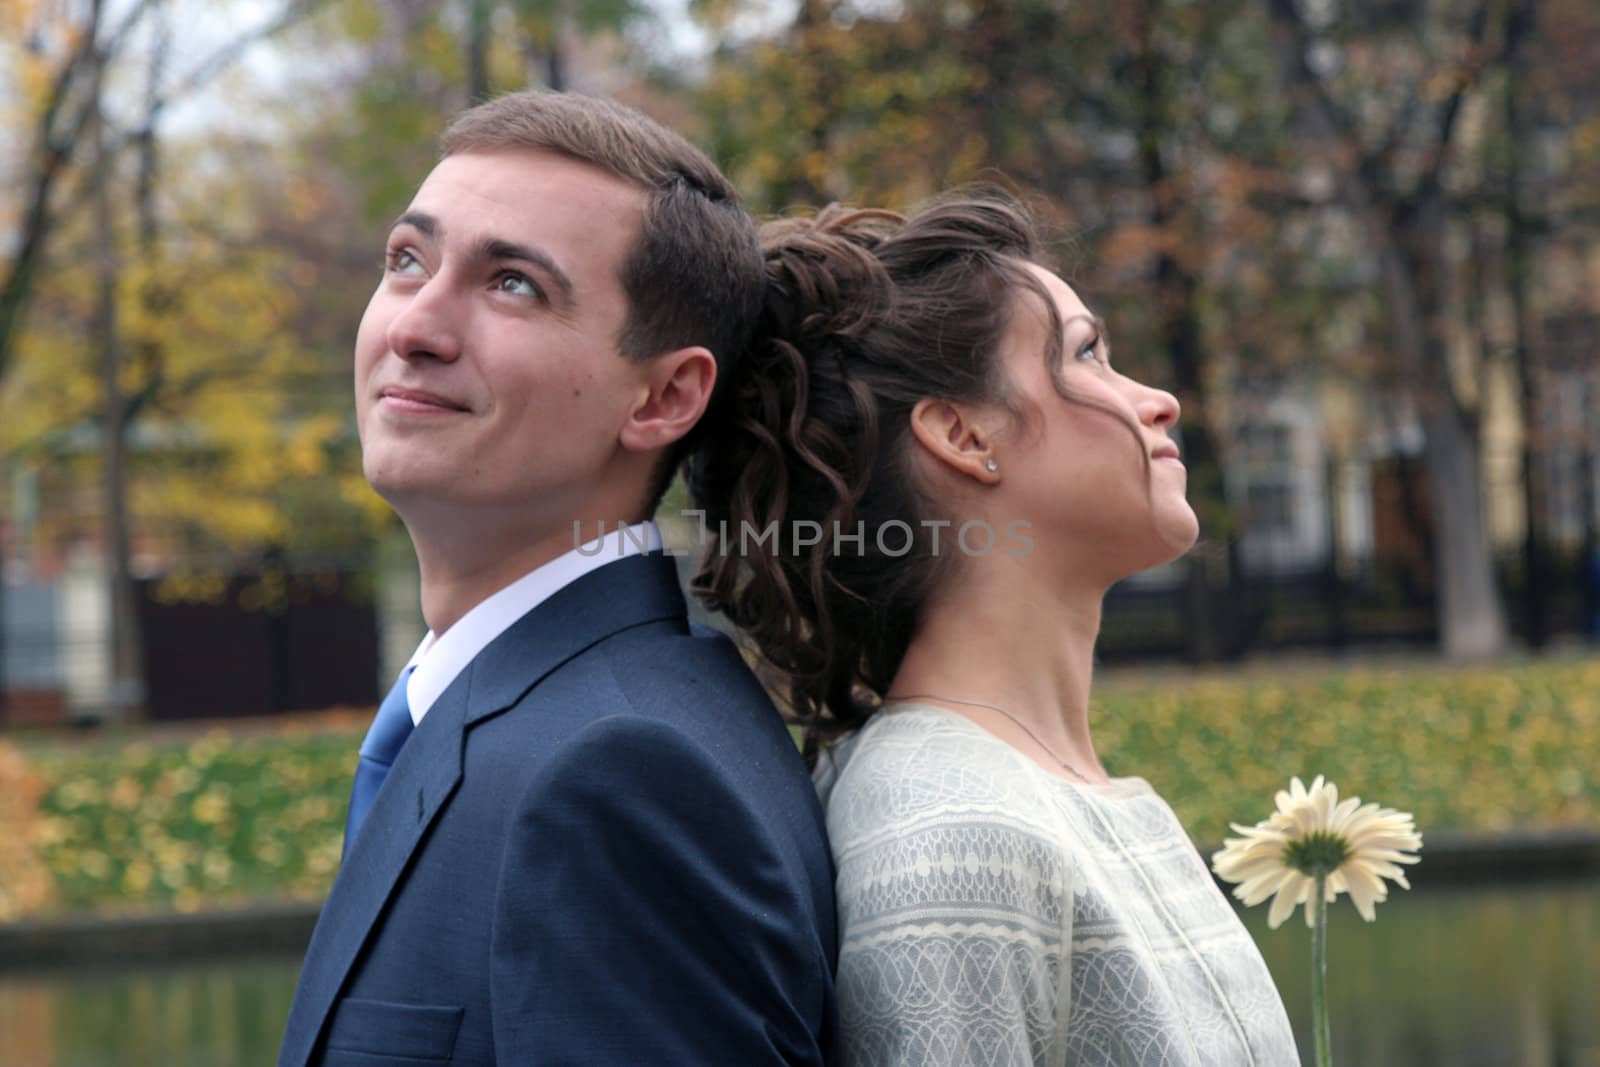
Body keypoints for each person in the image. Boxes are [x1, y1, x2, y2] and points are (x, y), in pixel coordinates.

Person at [277, 91, 837, 1067]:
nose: (415, 326)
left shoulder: (618, 777)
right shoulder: (551, 719)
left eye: (513, 285)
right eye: (408, 259)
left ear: (665, 395)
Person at [689, 193, 1299, 1065]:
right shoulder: (956, 839)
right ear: (964, 433)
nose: (1157, 401)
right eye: (1088, 354)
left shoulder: (1029, 795)